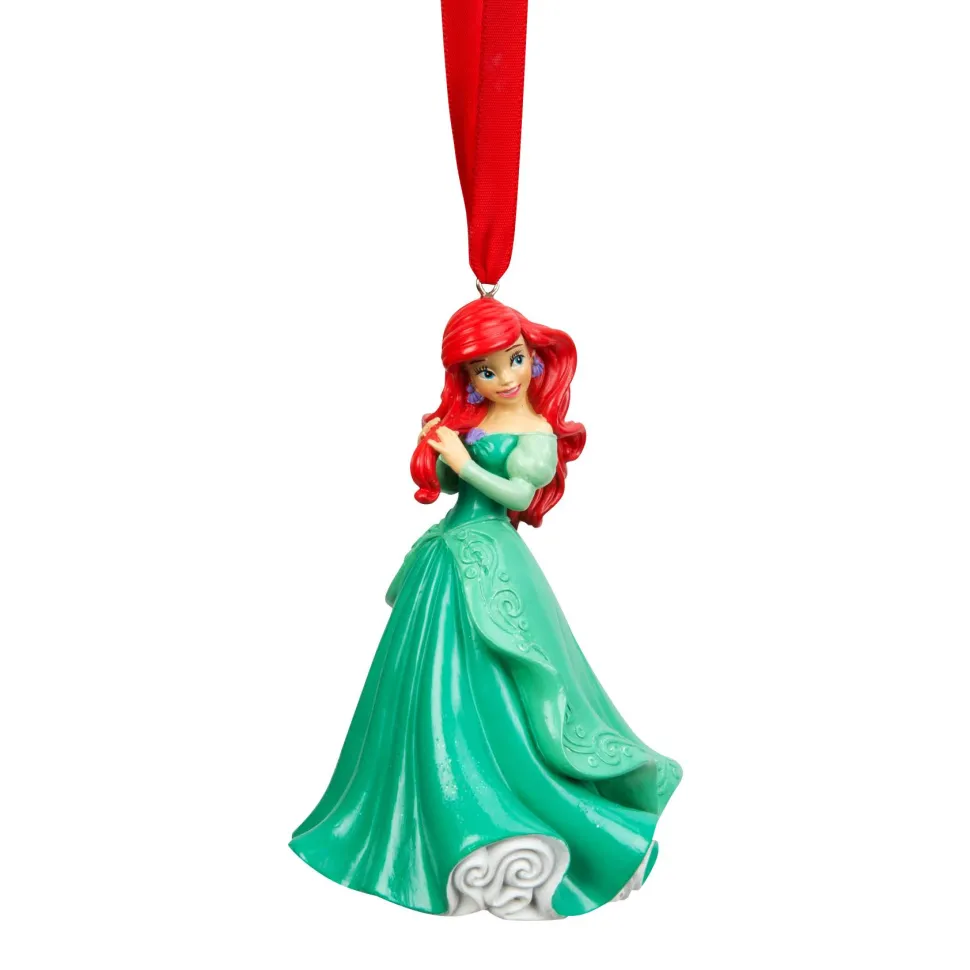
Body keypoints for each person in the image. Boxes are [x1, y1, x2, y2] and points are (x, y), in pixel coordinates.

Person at [290, 298, 682, 920]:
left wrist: (465, 460)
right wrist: (438, 450)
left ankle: (522, 801)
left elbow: (518, 494)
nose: (504, 377)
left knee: (510, 674)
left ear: (533, 357)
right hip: (448, 555)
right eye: (485, 369)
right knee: (425, 681)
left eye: (514, 360)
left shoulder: (537, 434)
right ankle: (422, 806)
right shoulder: (475, 420)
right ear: (467, 376)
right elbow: (450, 486)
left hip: (494, 557)